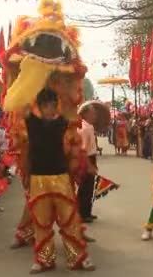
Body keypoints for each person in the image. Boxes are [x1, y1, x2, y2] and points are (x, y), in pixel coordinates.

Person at [24, 89, 94, 272]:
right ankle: (43, 259)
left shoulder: (62, 122)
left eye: (52, 105)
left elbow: (70, 102)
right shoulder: (32, 122)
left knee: (70, 218)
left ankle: (78, 257)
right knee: (41, 221)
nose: (49, 109)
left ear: (56, 107)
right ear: (39, 107)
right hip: (38, 178)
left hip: (61, 176)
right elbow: (22, 100)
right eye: (45, 106)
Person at [77, 102, 99, 224]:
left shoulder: (88, 126)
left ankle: (86, 212)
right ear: (85, 114)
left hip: (90, 158)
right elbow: (83, 149)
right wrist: (89, 165)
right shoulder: (85, 128)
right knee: (86, 187)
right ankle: (83, 213)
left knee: (88, 187)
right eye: (92, 113)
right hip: (87, 159)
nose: (94, 115)